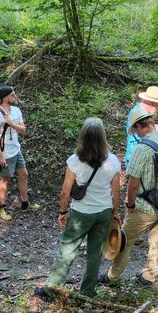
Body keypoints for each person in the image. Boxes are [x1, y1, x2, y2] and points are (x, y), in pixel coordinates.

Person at [98, 107, 158, 285]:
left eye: (134, 130)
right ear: (151, 124)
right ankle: (150, 275)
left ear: (139, 127)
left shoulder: (141, 149)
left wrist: (129, 205)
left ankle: (113, 277)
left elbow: (133, 183)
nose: (135, 133)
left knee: (124, 240)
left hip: (145, 206)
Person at [34, 118, 121, 298]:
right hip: (103, 212)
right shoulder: (113, 161)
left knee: (67, 250)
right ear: (103, 137)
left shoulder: (75, 161)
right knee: (95, 253)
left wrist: (63, 212)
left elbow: (65, 192)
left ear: (83, 137)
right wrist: (115, 212)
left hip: (82, 213)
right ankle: (88, 291)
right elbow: (116, 192)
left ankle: (53, 289)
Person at [0, 86, 40, 221]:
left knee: (24, 174)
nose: (15, 97)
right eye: (13, 95)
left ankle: (25, 204)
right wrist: (0, 155)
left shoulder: (16, 110)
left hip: (16, 150)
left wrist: (11, 123)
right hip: (5, 153)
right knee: (5, 180)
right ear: (5, 98)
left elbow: (23, 130)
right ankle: (3, 207)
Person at [124, 86, 158, 166]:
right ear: (152, 103)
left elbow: (150, 127)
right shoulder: (138, 115)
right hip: (137, 159)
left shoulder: (141, 111)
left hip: (141, 157)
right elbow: (146, 136)